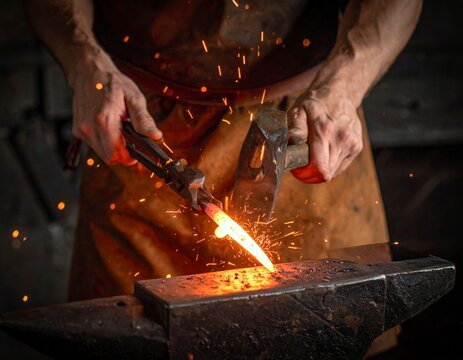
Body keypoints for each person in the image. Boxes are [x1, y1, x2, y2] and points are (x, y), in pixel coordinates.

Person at [24, 0, 421, 299]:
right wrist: (85, 65)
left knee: (336, 317)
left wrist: (346, 84)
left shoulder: (318, 121)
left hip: (307, 125)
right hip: (135, 122)